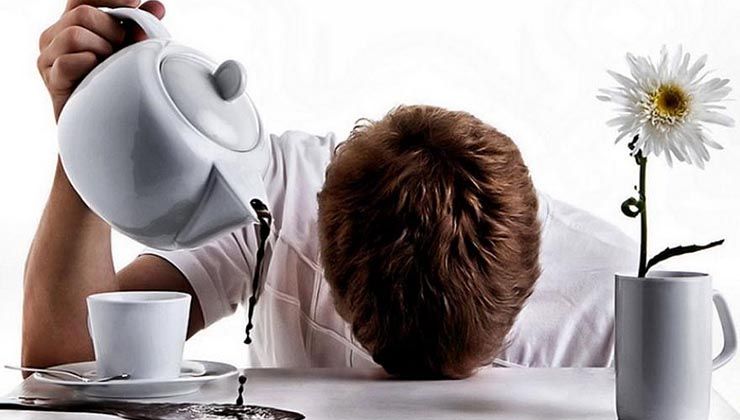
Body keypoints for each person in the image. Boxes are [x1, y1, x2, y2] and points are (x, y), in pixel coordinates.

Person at [23, 0, 637, 379]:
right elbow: (69, 359)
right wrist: (89, 123)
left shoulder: (620, 301)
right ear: (318, 220)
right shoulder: (273, 197)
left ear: (532, 279)